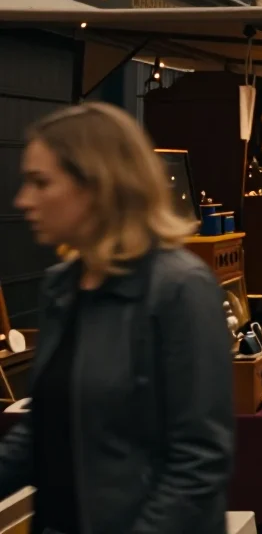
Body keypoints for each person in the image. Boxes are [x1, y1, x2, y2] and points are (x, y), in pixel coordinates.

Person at [0, 102, 233, 533]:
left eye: (40, 182)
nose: (23, 200)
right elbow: (44, 432)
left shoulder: (180, 289)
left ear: (97, 185)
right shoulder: (61, 287)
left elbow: (198, 464)